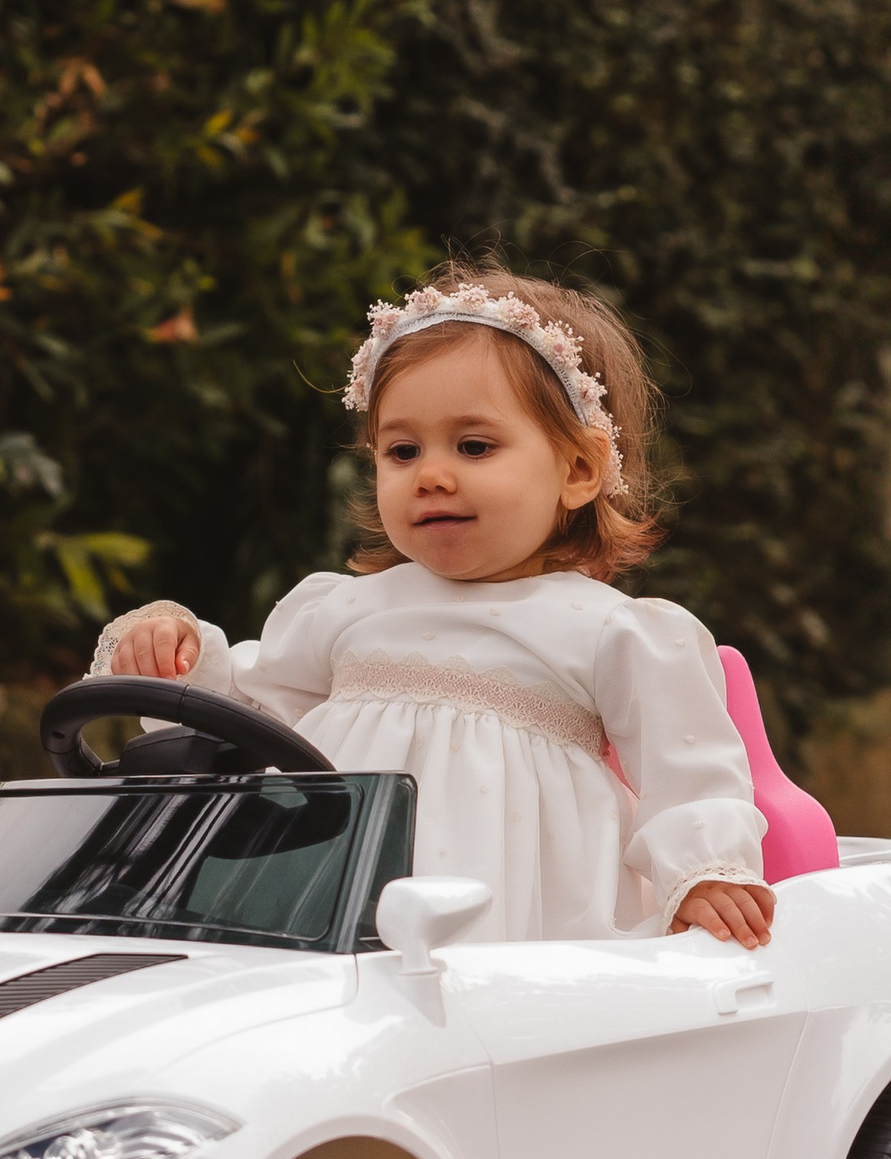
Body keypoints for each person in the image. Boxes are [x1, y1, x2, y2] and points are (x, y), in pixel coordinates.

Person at [91, 266, 776, 948]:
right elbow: (254, 711)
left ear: (577, 470)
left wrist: (706, 871)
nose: (432, 474)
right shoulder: (350, 606)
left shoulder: (611, 629)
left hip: (521, 909)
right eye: (402, 449)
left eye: (474, 445)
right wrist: (180, 658)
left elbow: (687, 766)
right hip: (325, 892)